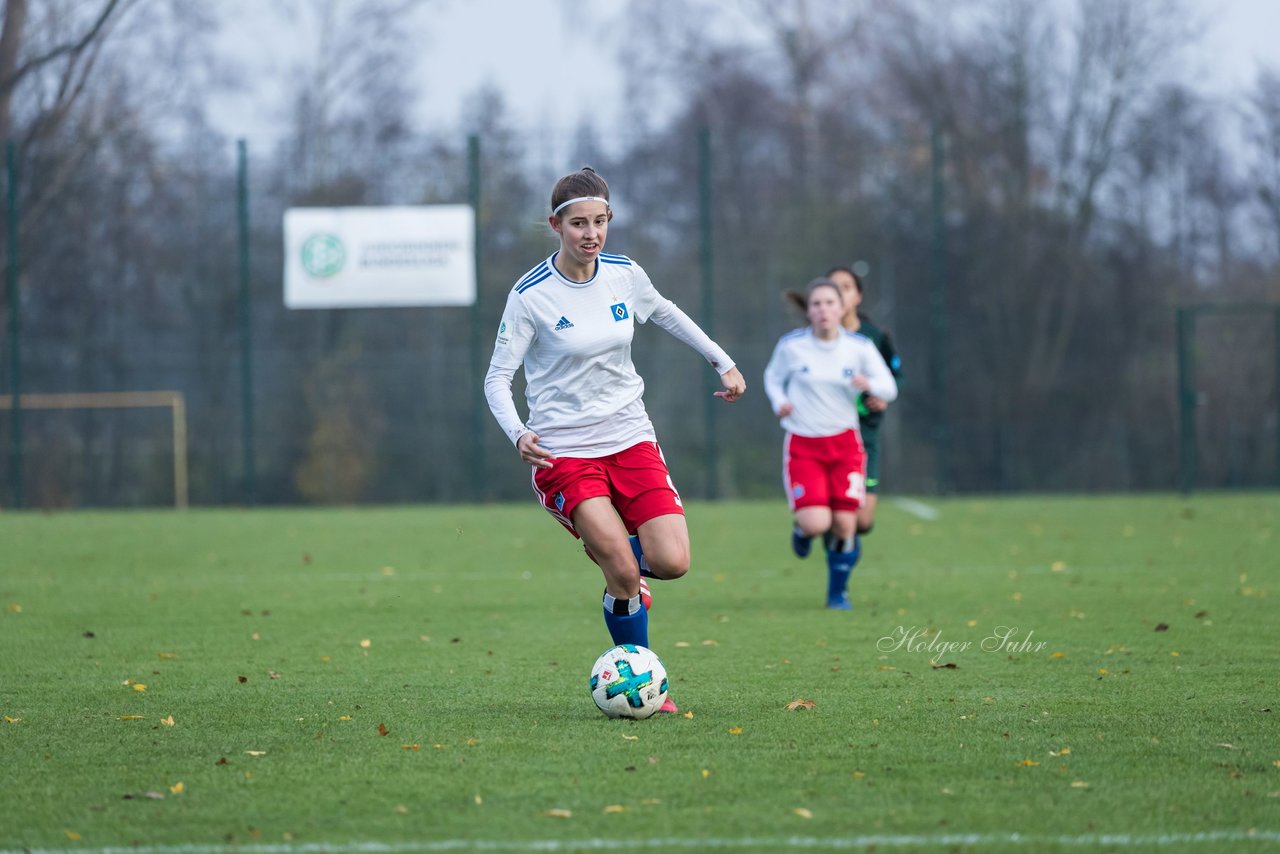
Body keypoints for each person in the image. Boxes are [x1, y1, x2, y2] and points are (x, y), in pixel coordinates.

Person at [484, 166, 746, 712]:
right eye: (579, 223)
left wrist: (723, 363)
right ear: (556, 225)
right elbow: (496, 379)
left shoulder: (625, 274)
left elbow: (667, 314)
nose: (591, 234)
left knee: (672, 561)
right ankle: (646, 684)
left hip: (630, 438)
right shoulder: (530, 295)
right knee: (624, 572)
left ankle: (625, 576)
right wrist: (518, 434)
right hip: (564, 452)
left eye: (600, 222)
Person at [763, 277, 897, 609]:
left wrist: (873, 386)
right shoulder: (792, 346)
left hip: (845, 445)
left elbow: (889, 387)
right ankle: (801, 530)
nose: (823, 310)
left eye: (830, 303)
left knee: (845, 523)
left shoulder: (860, 347)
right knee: (816, 523)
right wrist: (779, 401)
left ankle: (838, 593)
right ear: (808, 310)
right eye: (816, 304)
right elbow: (772, 378)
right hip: (804, 444)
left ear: (843, 308)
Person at [827, 265, 903, 561]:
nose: (839, 294)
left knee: (862, 521)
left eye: (846, 287)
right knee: (836, 517)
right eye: (833, 288)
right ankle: (838, 580)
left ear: (858, 296)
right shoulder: (813, 341)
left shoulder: (875, 337)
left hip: (865, 435)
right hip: (826, 434)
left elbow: (895, 378)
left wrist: (882, 395)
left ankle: (839, 539)